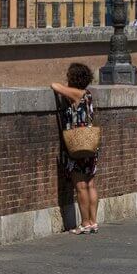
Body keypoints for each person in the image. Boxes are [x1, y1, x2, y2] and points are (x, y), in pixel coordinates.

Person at [52, 62, 98, 234]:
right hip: (90, 144)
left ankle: (85, 223)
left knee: (80, 186)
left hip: (77, 145)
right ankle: (93, 222)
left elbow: (55, 86)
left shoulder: (77, 94)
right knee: (90, 184)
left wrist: (65, 86)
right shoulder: (88, 94)